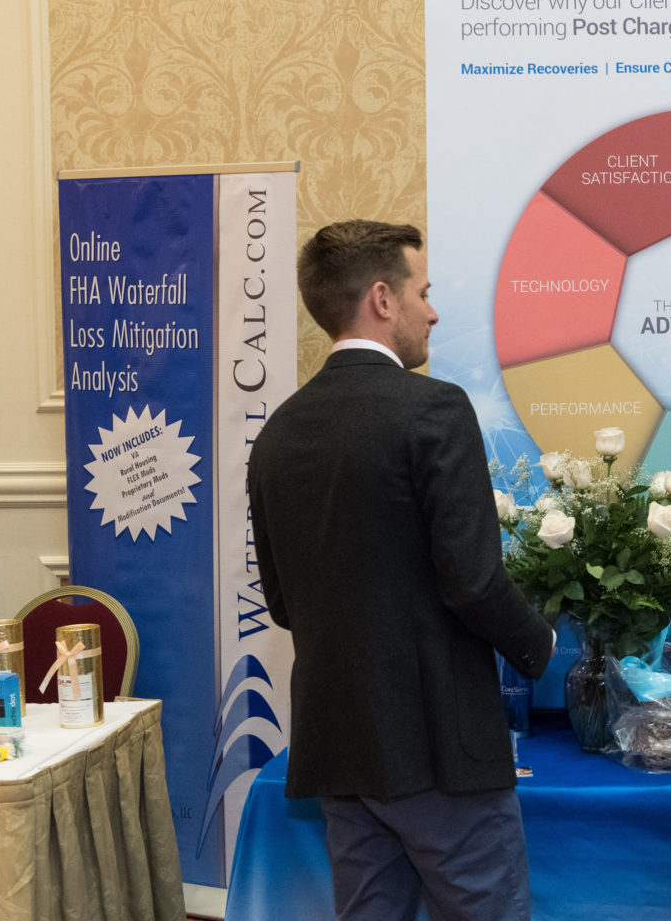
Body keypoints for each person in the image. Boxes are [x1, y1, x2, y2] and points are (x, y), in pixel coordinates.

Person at [248, 220, 555, 921]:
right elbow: (474, 582)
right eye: (424, 292)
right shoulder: (435, 409)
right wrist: (540, 644)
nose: (434, 312)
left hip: (339, 745)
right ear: (383, 300)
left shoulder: (277, 432)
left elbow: (284, 604)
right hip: (440, 749)